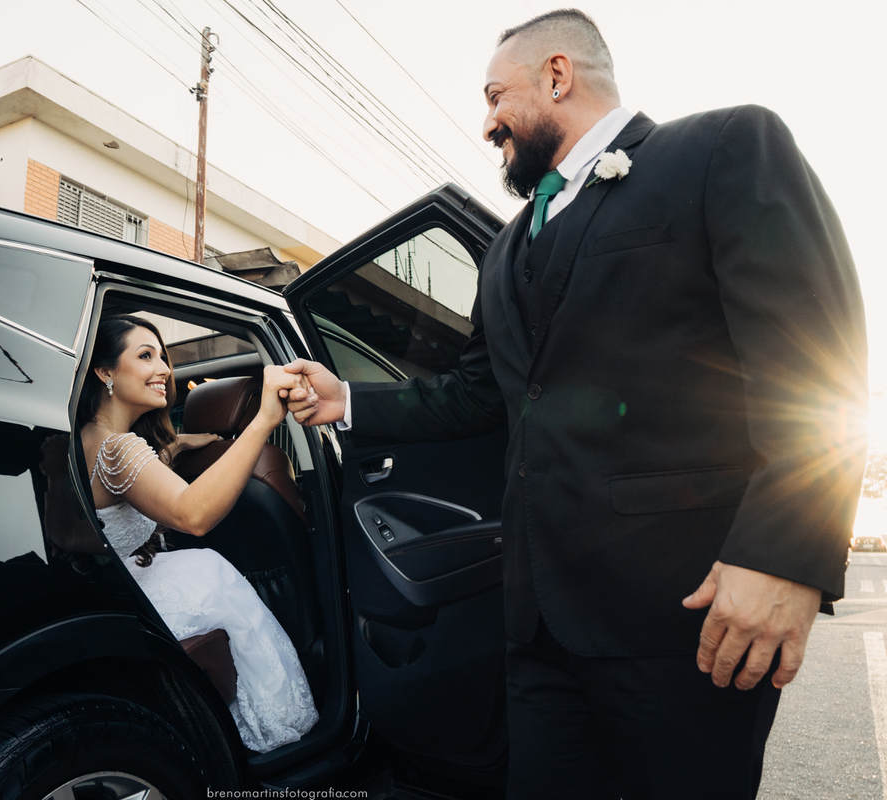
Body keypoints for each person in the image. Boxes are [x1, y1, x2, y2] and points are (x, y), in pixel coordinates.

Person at [285, 9, 866, 798]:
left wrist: (784, 555)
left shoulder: (720, 149)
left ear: (557, 75)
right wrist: (346, 399)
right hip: (536, 628)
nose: (488, 123)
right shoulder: (505, 249)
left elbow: (813, 356)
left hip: (683, 619)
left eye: (496, 97)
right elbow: (478, 393)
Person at [78, 314, 318, 754]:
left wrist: (178, 444)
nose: (164, 370)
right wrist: (263, 421)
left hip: (103, 589)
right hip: (132, 600)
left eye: (163, 357)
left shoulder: (89, 437)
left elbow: (135, 479)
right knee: (210, 569)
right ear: (105, 371)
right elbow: (194, 516)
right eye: (145, 356)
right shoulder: (119, 448)